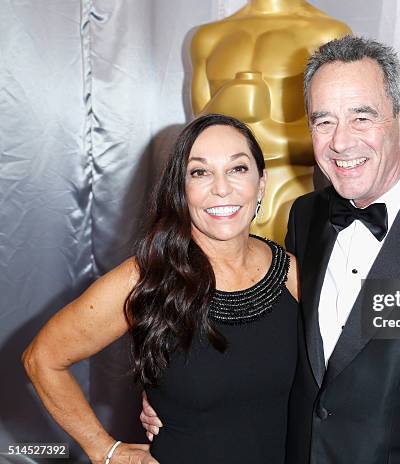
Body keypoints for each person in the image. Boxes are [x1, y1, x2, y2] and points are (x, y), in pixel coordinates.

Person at [142, 36, 400, 463]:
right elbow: (266, 350)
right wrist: (169, 392)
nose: (341, 142)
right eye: (323, 121)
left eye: (362, 117)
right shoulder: (305, 217)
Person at [22, 113, 299, 464]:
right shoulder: (146, 278)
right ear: (180, 190)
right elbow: (42, 359)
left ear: (261, 183)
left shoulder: (292, 272)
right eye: (199, 172)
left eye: (237, 169)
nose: (221, 187)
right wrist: (104, 450)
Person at [191, 0, 351, 243]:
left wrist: (258, 128)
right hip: (221, 202)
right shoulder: (207, 38)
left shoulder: (327, 33)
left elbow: (335, 138)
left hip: (290, 200)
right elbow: (197, 139)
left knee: (294, 275)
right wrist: (227, 103)